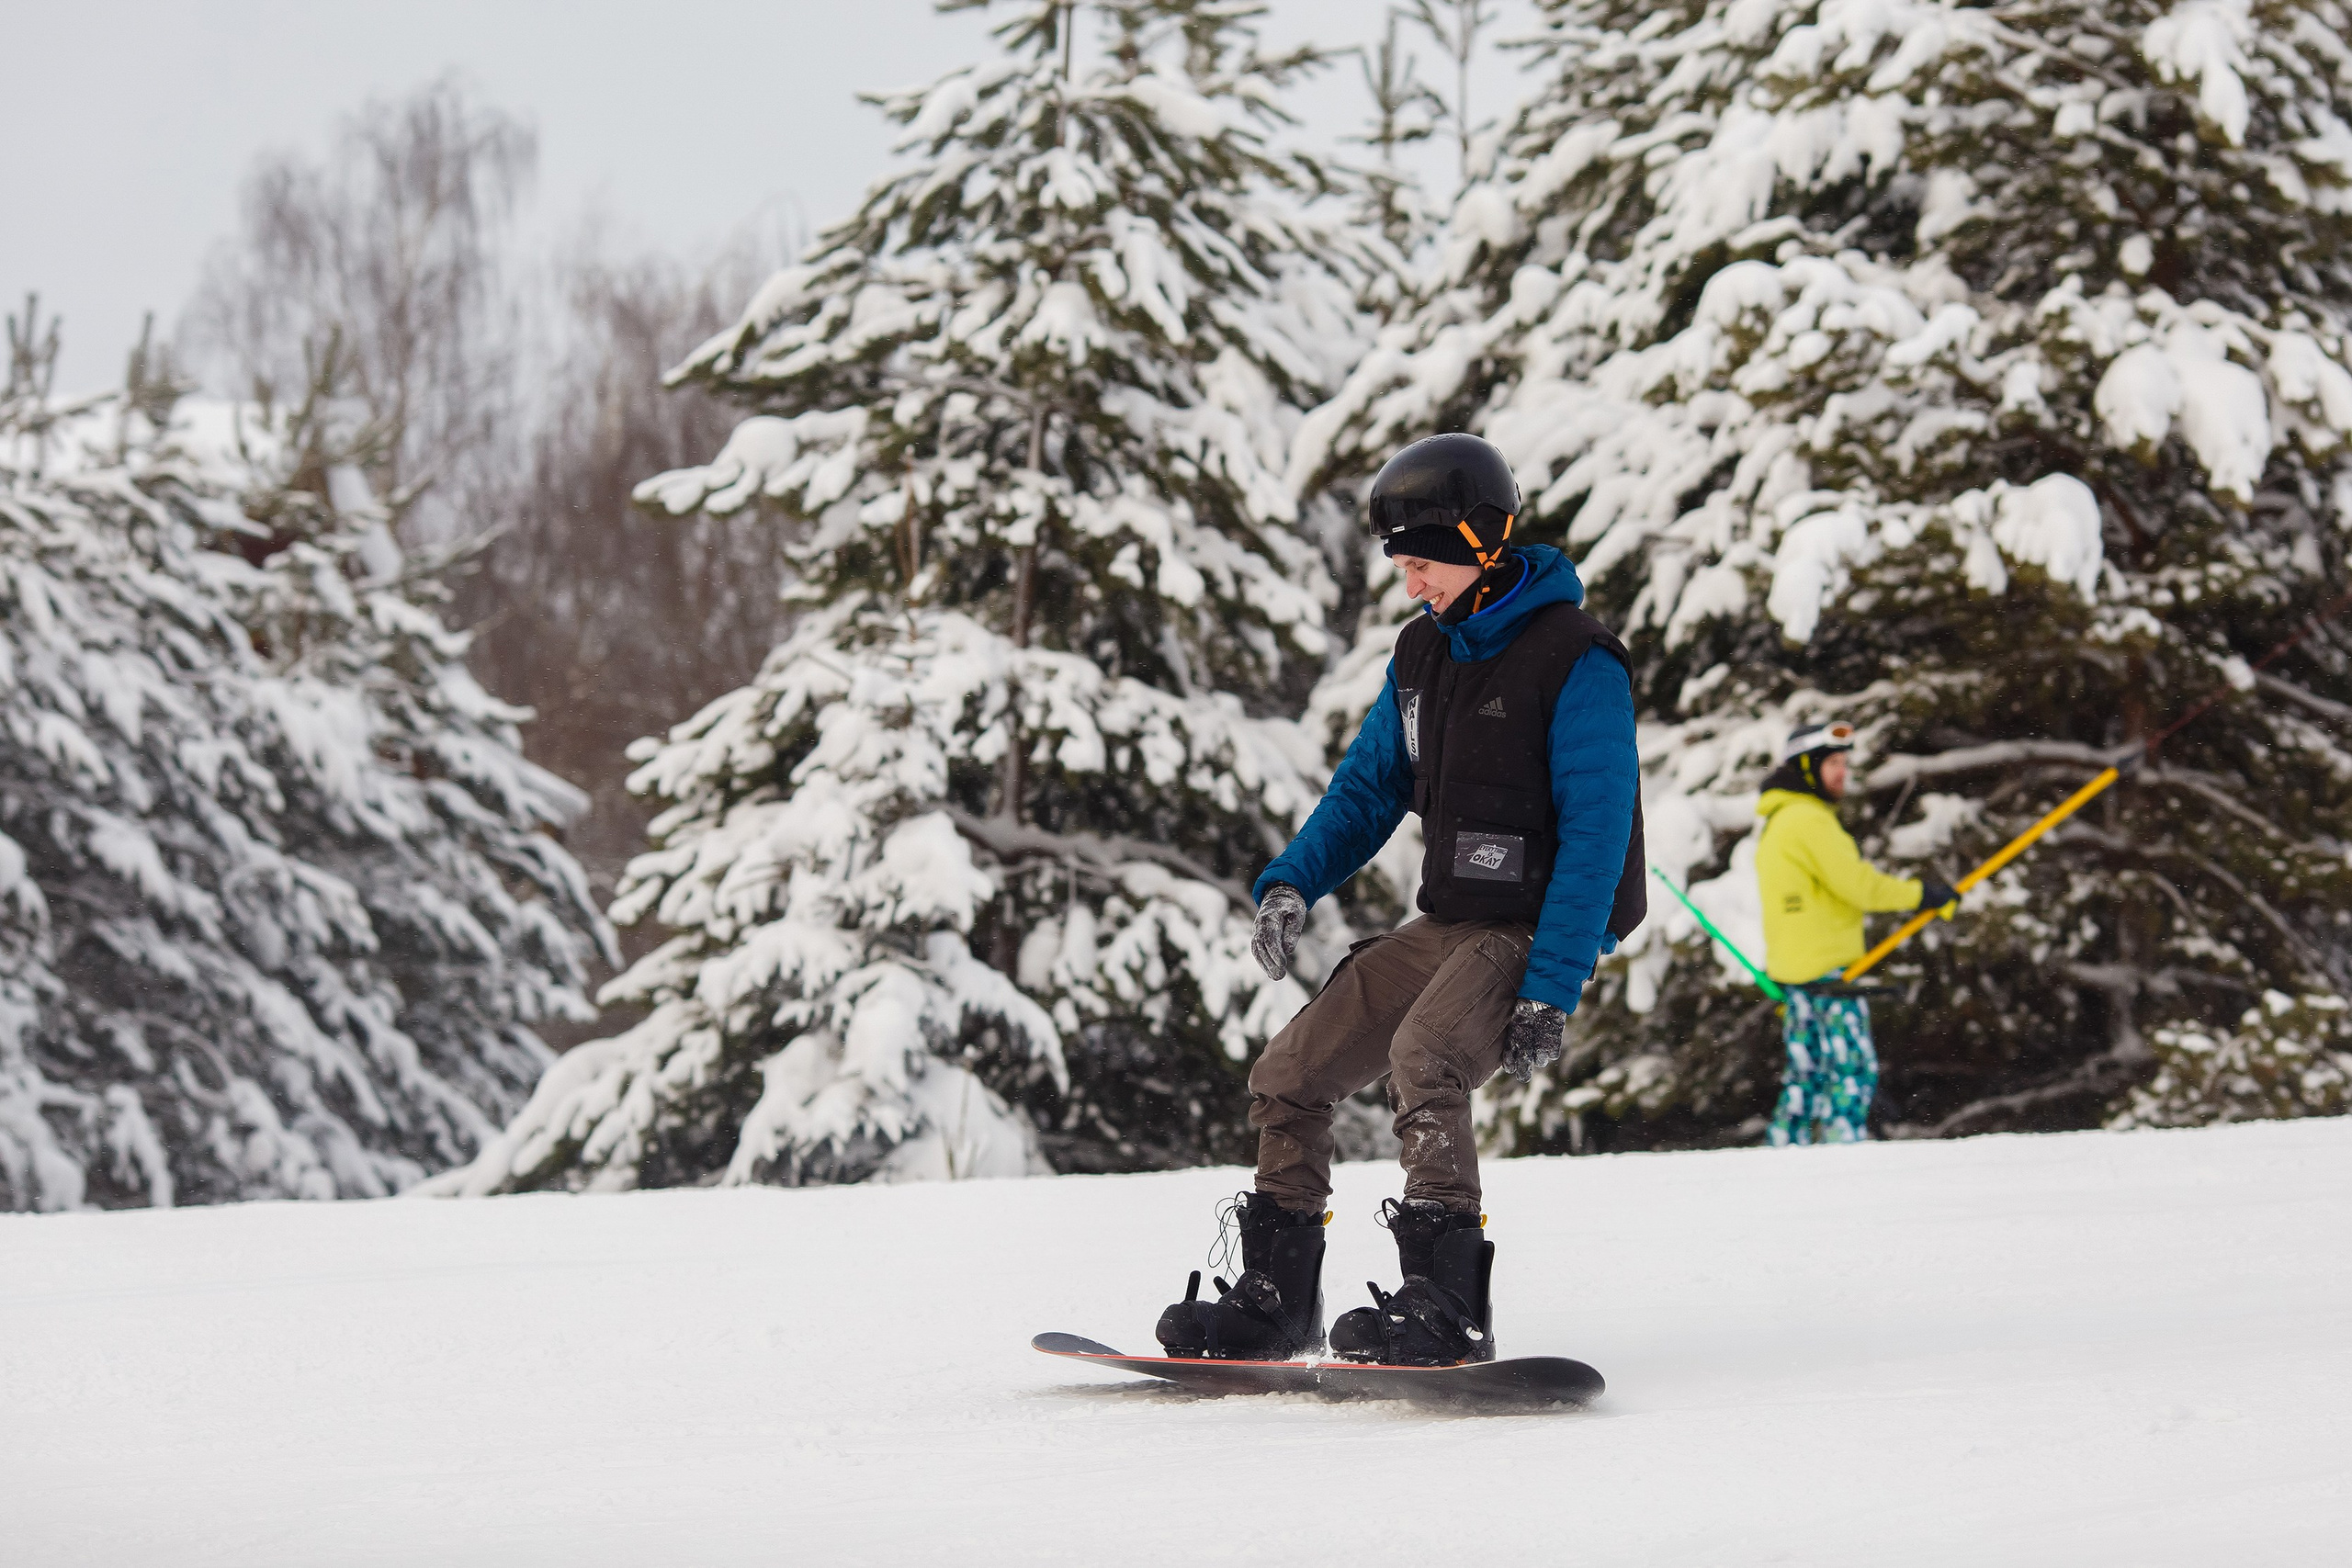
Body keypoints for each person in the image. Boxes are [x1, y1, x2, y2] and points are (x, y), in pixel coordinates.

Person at [1152, 433, 1644, 1368]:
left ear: (1478, 542)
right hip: (1453, 918)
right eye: (1402, 567)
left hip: (1535, 925)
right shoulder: (1423, 657)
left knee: (1426, 1056)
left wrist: (1554, 984)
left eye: (1421, 564)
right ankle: (1274, 1302)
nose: (1410, 584)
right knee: (1290, 1071)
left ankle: (1446, 1302)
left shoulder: (1576, 660)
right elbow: (1370, 789)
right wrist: (1291, 881)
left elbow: (1597, 832)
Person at [1754, 723, 1958, 1145]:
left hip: (1795, 974)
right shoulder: (1809, 821)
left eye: (1844, 763)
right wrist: (1923, 894)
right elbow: (1860, 887)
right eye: (1831, 763)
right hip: (1830, 975)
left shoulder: (1778, 821)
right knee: (1851, 1071)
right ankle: (1843, 1153)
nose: (1841, 772)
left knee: (1805, 1077)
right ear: (1806, 768)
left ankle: (1784, 1151)